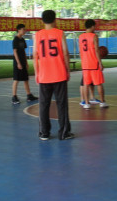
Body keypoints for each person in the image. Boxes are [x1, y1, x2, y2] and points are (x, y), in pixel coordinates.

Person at [33, 10, 73, 141]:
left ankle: (44, 133)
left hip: (44, 75)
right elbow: (65, 53)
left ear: (42, 20)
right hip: (59, 74)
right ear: (55, 19)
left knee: (44, 105)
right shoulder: (60, 33)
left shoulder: (37, 35)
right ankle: (64, 133)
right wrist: (67, 70)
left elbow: (35, 55)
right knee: (62, 104)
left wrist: (37, 73)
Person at [79, 19, 108, 109]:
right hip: (94, 63)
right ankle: (102, 102)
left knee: (86, 84)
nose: (95, 28)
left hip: (85, 64)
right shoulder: (94, 36)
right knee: (99, 83)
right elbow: (96, 51)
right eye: (94, 26)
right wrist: (100, 63)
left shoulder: (80, 37)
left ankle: (87, 103)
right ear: (92, 26)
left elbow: (80, 51)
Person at [12, 24, 38, 105]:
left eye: (25, 29)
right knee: (16, 79)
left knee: (25, 79)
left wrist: (26, 62)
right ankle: (14, 97)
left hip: (23, 61)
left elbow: (23, 51)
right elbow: (15, 52)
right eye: (23, 29)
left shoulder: (22, 39)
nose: (25, 31)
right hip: (18, 62)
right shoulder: (15, 39)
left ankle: (29, 95)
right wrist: (18, 63)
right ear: (18, 30)